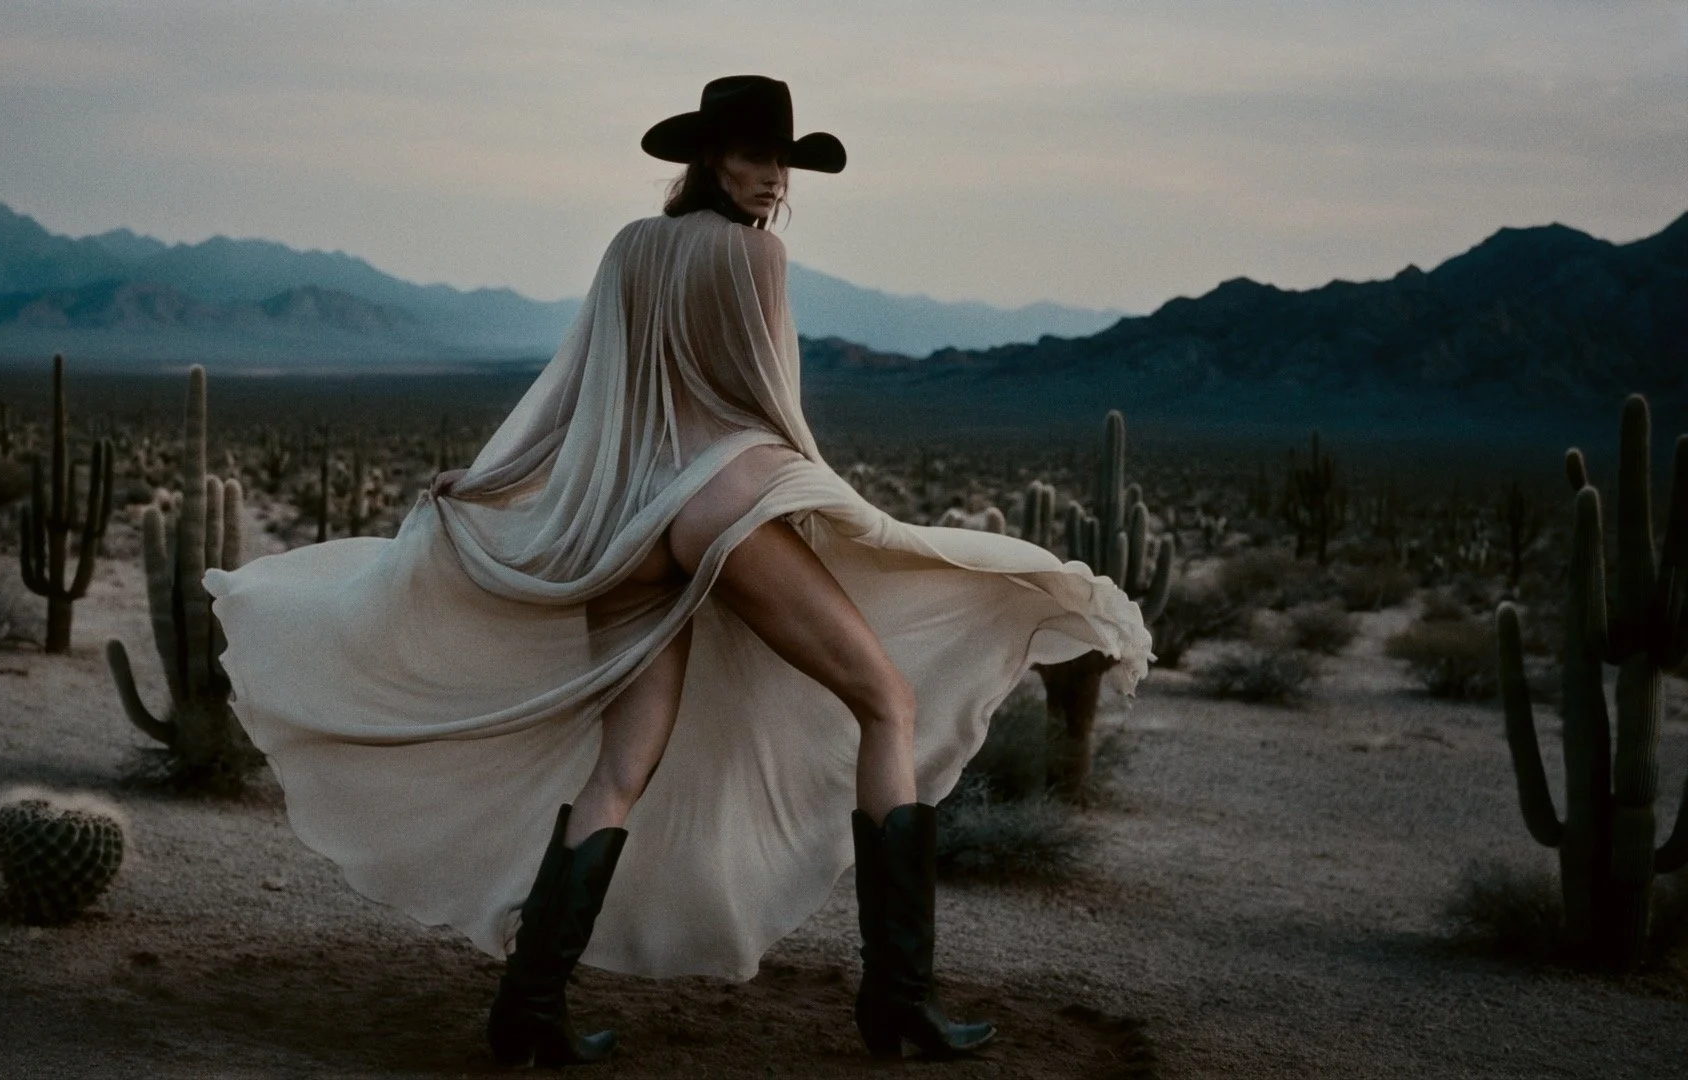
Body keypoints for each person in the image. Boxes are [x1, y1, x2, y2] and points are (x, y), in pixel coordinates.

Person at [202, 75, 1152, 1067]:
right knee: (888, 704)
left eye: (781, 162)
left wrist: (486, 481)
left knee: (621, 767)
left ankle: (529, 1008)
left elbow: (570, 397)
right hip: (725, 501)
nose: (772, 178)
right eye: (754, 157)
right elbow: (771, 405)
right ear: (710, 158)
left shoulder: (630, 248)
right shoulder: (757, 256)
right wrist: (830, 511)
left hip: (626, 525)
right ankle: (897, 1000)